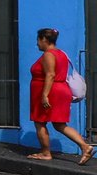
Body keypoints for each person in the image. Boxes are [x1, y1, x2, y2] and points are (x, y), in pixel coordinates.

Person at [28, 27, 93, 164]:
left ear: (44, 39)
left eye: (38, 40)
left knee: (39, 122)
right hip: (61, 90)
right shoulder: (61, 54)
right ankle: (85, 146)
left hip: (51, 92)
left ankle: (45, 153)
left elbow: (50, 75)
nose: (37, 44)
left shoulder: (48, 54)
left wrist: (45, 95)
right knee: (60, 124)